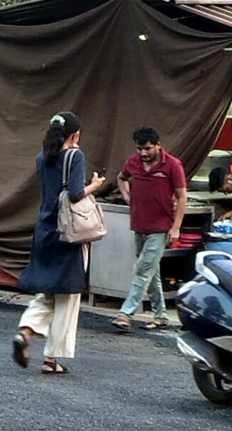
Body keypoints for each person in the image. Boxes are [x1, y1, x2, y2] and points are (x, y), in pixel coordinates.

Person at [12, 112, 106, 376]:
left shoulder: (42, 158)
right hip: (69, 234)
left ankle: (25, 332)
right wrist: (95, 185)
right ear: (75, 134)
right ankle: (52, 358)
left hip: (44, 231)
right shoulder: (75, 156)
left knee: (47, 293)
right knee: (68, 296)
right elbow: (75, 194)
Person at [115, 126, 186, 330]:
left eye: (147, 148)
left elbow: (182, 197)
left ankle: (125, 313)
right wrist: (127, 196)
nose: (143, 153)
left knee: (143, 268)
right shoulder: (133, 162)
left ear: (158, 145)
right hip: (139, 223)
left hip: (161, 226)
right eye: (139, 149)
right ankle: (161, 316)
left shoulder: (172, 165)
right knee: (151, 270)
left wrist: (176, 228)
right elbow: (121, 178)